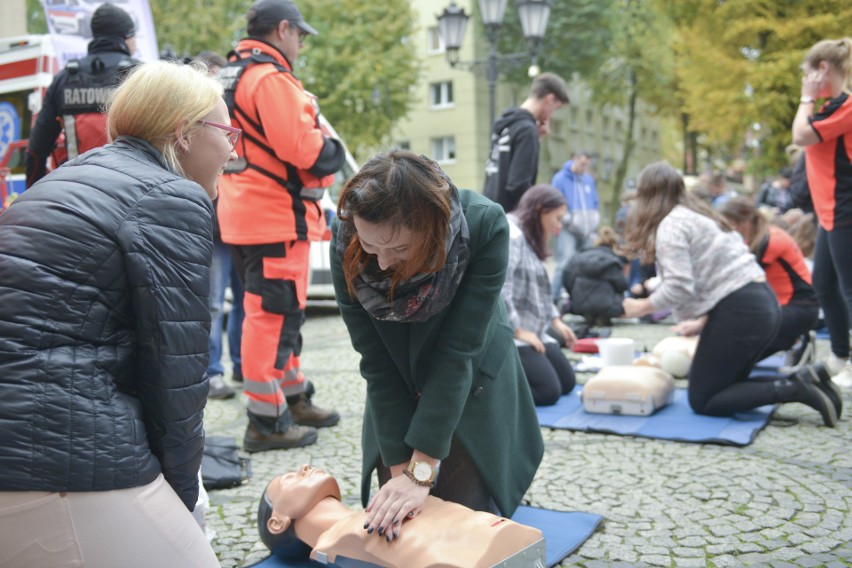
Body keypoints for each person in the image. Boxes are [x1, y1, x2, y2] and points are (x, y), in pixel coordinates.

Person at [0, 60, 229, 566]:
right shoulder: (173, 197)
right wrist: (177, 504)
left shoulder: (69, 178)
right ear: (183, 133)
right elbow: (176, 382)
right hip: (55, 454)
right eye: (226, 130)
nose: (233, 150)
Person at [330, 151, 544, 535]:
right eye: (371, 245)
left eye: (398, 249)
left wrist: (423, 468)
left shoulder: (483, 225)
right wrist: (403, 474)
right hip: (397, 372)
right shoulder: (345, 240)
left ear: (430, 229)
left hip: (470, 375)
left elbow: (458, 351)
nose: (381, 264)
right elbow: (376, 362)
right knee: (399, 525)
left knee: (462, 524)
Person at [217, 0, 347, 451]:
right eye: (301, 36)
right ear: (284, 30)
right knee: (271, 318)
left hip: (245, 212)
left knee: (279, 313)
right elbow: (307, 151)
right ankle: (265, 421)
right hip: (274, 215)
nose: (301, 45)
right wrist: (332, 148)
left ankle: (292, 397)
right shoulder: (269, 79)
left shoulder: (230, 75)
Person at [622, 162, 840, 427]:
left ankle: (795, 389)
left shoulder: (671, 225)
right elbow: (718, 277)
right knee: (726, 382)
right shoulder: (698, 216)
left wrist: (641, 307)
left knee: (704, 399)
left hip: (743, 310)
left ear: (648, 196)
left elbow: (680, 285)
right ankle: (804, 379)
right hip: (759, 302)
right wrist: (702, 320)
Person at [257, 465, 544, 566]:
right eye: (290, 478)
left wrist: (416, 475)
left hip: (495, 537)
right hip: (484, 549)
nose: (305, 466)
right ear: (277, 521)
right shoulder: (340, 541)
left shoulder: (350, 531)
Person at [791, 37, 852, 388]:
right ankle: (840, 356)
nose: (805, 79)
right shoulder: (828, 106)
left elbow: (801, 135)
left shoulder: (845, 108)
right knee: (824, 286)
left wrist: (805, 96)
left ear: (822, 70)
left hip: (846, 208)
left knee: (849, 289)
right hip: (829, 212)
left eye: (807, 72)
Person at [25, 3, 139, 187]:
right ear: (125, 36)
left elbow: (36, 152)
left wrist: (31, 197)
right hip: (132, 191)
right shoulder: (142, 76)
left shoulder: (64, 79)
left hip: (79, 193)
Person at [719, 197, 820, 369]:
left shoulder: (769, 241)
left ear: (744, 222)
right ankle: (792, 339)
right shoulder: (759, 236)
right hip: (782, 306)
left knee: (737, 353)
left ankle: (796, 340)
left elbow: (741, 282)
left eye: (730, 225)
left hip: (799, 308)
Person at [501, 184, 577, 406]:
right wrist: (518, 331)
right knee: (548, 392)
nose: (559, 227)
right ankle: (487, 397)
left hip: (532, 330)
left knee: (568, 382)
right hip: (511, 333)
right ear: (541, 210)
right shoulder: (512, 234)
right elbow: (500, 289)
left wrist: (556, 321)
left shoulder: (529, 236)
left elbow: (540, 287)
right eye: (557, 218)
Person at [196, 50, 241, 400]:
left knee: (244, 299)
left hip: (240, 222)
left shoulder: (230, 112)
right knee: (212, 301)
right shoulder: (202, 117)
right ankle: (212, 371)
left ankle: (241, 363)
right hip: (214, 225)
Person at [483, 72, 570, 212]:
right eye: (556, 108)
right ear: (550, 99)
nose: (552, 114)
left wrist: (537, 139)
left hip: (488, 211)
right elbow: (518, 184)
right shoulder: (527, 131)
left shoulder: (507, 124)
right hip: (508, 217)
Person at [550, 150, 600, 302]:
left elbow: (594, 202)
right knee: (565, 262)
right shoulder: (560, 179)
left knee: (590, 262)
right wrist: (567, 219)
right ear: (574, 159)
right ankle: (554, 298)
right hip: (568, 229)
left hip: (587, 230)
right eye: (582, 163)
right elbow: (554, 202)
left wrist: (595, 218)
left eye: (587, 165)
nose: (584, 167)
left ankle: (584, 298)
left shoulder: (588, 180)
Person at [563, 226, 629, 327]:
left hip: (579, 305)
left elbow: (566, 279)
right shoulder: (613, 261)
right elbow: (622, 286)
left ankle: (589, 315)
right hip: (608, 305)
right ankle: (603, 316)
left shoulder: (578, 257)